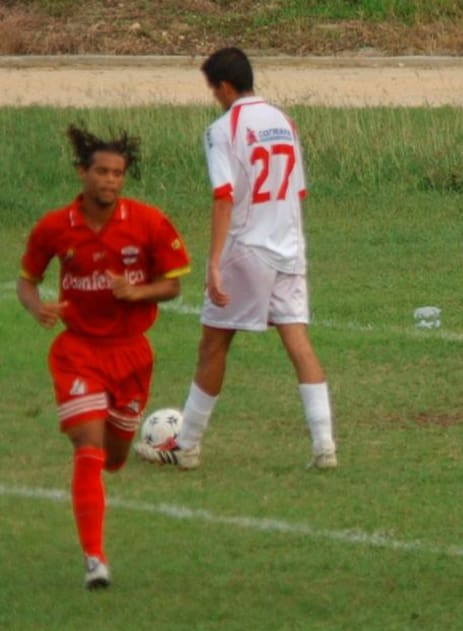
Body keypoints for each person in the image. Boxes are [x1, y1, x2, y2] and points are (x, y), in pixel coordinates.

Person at [135, 46, 336, 470]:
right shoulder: (285, 121)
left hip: (247, 249)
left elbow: (224, 197)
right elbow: (297, 191)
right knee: (298, 340)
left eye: (213, 90)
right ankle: (325, 446)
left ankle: (186, 445)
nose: (214, 97)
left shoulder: (222, 129)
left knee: (213, 344)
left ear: (224, 86)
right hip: (290, 246)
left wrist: (214, 262)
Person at [18, 123, 191, 589]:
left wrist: (137, 292)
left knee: (115, 455)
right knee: (88, 450)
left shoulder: (149, 222)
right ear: (83, 173)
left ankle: (118, 451)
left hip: (131, 355)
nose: (110, 181)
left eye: (118, 173)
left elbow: (173, 284)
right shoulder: (55, 227)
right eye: (102, 172)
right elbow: (27, 280)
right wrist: (38, 308)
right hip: (77, 353)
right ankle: (95, 559)